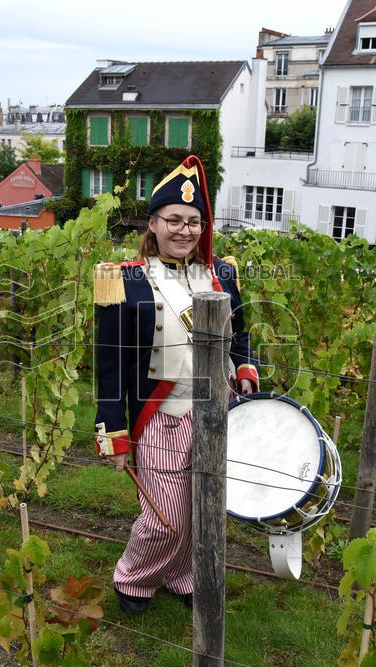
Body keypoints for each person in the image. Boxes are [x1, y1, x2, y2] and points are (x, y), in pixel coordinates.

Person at [93, 155, 260, 613]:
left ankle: (183, 575)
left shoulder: (222, 273)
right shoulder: (122, 280)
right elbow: (109, 365)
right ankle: (134, 578)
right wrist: (113, 431)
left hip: (216, 409)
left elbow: (241, 334)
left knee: (204, 502)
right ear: (153, 222)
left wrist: (245, 370)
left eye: (194, 222)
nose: (185, 231)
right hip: (160, 417)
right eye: (174, 221)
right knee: (165, 517)